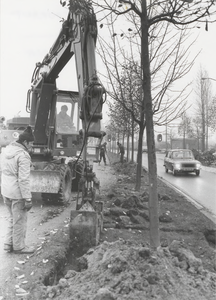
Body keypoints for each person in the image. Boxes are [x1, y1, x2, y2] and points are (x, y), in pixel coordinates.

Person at [1, 126, 35, 254]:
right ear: (25, 143)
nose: (32, 146)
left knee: (12, 218)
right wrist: (28, 198)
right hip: (17, 193)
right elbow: (23, 179)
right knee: (20, 220)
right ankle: (19, 247)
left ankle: (8, 244)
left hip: (6, 190)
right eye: (31, 143)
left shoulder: (7, 150)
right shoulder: (23, 156)